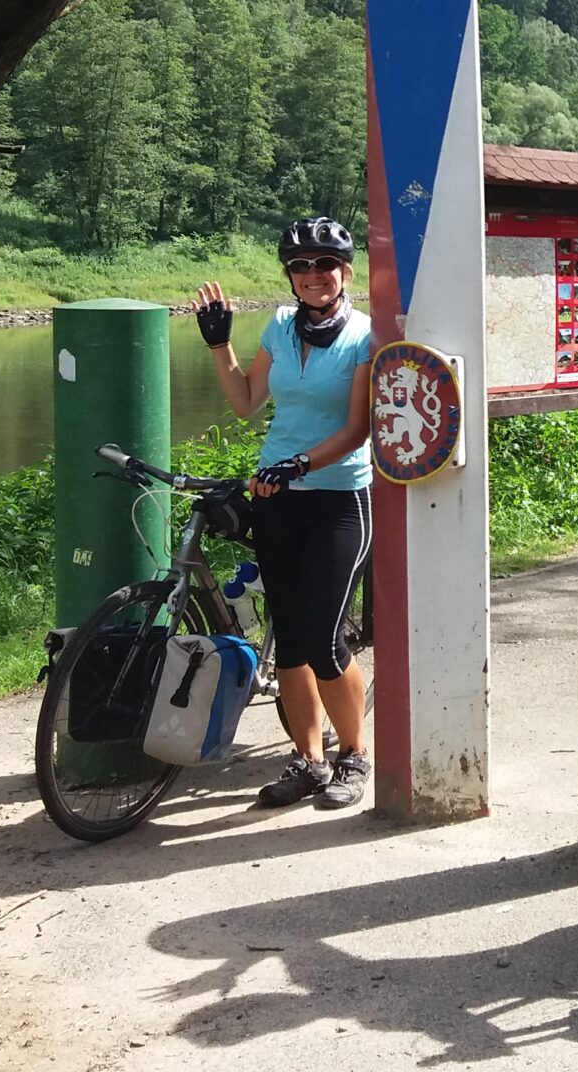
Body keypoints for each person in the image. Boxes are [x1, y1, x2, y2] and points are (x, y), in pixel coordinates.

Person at [184, 216, 375, 811]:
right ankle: (309, 761)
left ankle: (354, 755)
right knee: (289, 641)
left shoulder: (365, 337)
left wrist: (299, 463)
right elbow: (245, 402)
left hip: (340, 500)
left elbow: (357, 428)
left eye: (324, 265)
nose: (312, 275)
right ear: (289, 277)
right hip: (278, 500)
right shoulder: (279, 328)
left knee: (323, 639)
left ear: (345, 272)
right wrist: (220, 346)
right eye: (300, 266)